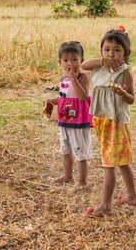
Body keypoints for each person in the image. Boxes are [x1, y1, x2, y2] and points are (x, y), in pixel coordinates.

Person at [81, 27, 136, 217]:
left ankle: (105, 205)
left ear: (126, 53)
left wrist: (123, 93)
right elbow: (83, 64)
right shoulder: (98, 67)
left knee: (109, 164)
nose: (111, 54)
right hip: (101, 122)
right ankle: (132, 196)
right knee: (121, 161)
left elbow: (131, 99)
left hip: (114, 123)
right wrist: (101, 61)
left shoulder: (124, 73)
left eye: (116, 50)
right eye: (106, 49)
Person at [43, 41, 92, 190]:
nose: (69, 63)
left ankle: (82, 180)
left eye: (74, 60)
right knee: (66, 149)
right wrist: (52, 101)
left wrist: (73, 79)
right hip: (64, 119)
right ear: (60, 62)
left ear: (81, 60)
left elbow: (82, 96)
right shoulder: (62, 79)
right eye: (65, 60)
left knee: (80, 151)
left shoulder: (83, 78)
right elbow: (64, 98)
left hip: (78, 120)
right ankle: (67, 176)